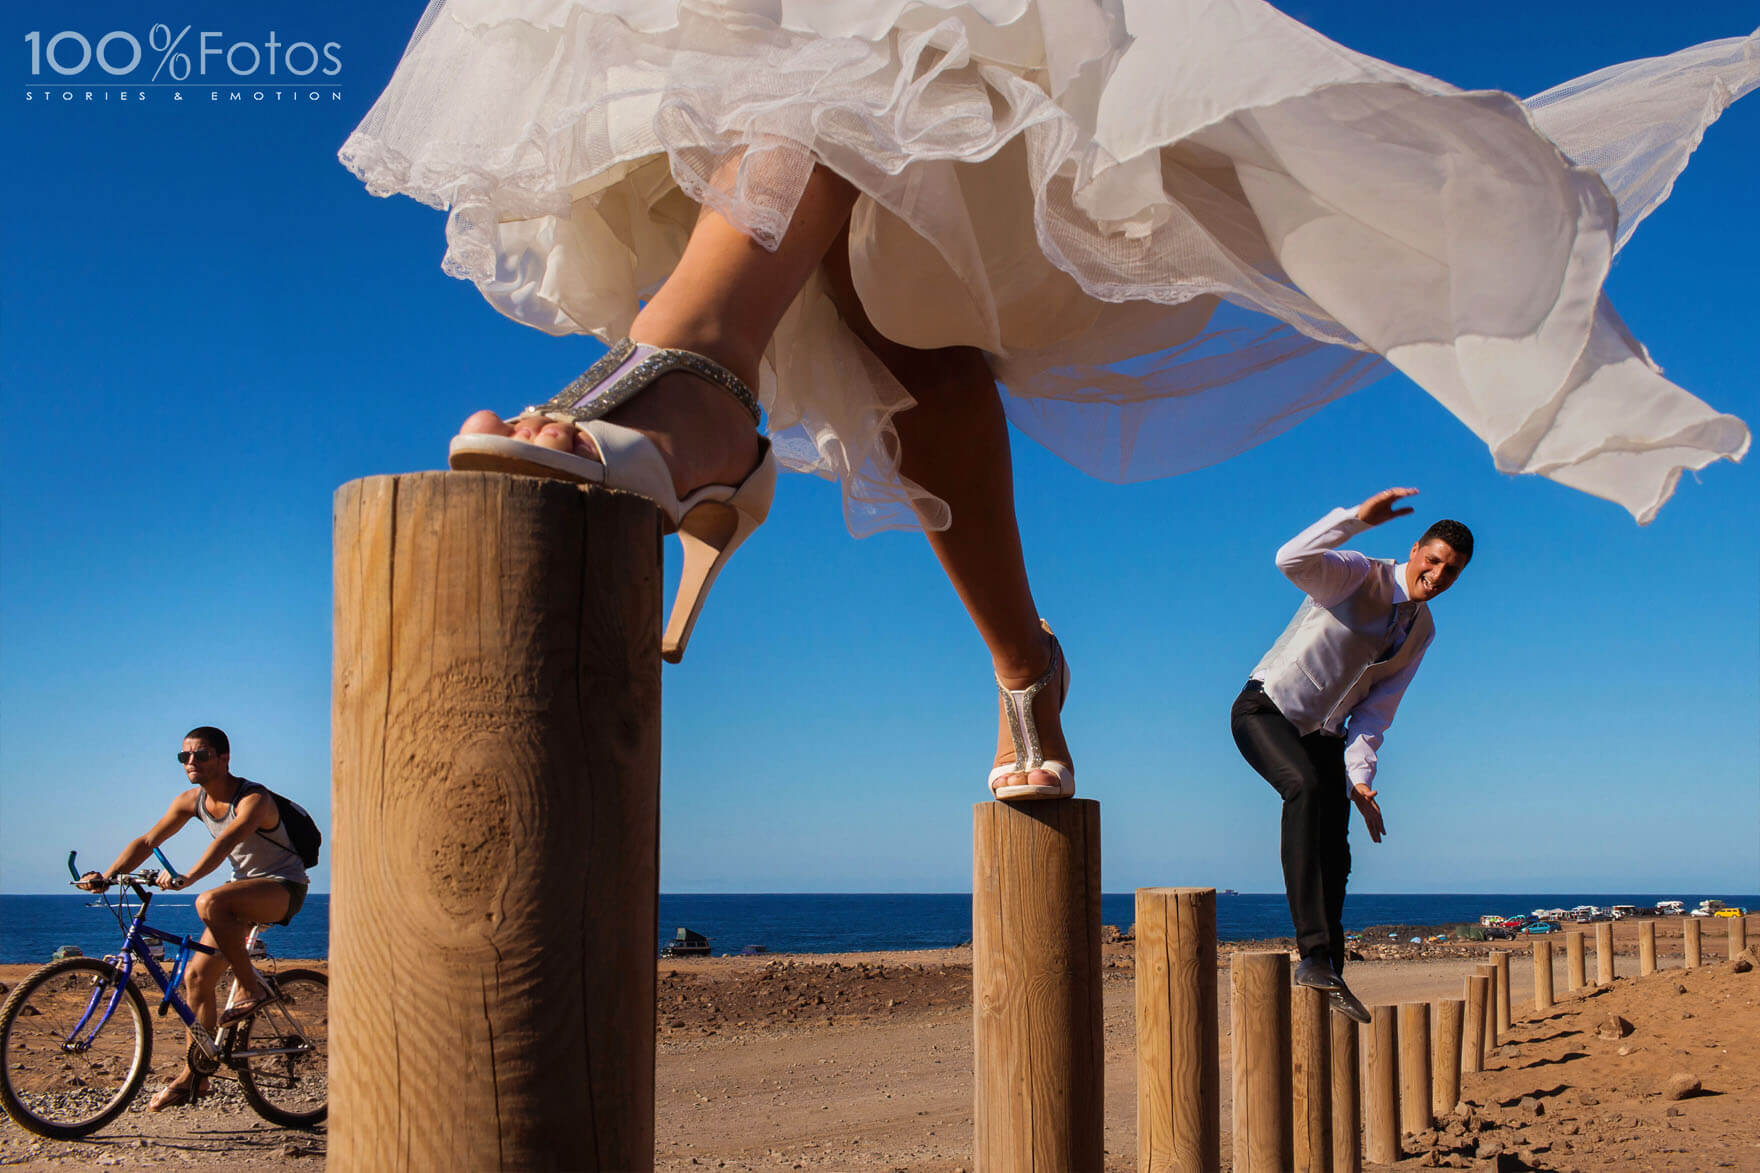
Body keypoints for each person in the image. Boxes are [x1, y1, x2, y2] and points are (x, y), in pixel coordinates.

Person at [340, 3, 1752, 801]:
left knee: (896, 215)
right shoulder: (1385, 585)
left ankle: (717, 398)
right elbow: (1309, 574)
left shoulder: (1407, 616)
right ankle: (746, 422)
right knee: (898, 322)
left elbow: (1353, 658)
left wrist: (1362, 745)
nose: (1427, 568)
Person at [1231, 487, 1470, 1021]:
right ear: (1414, 551)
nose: (1437, 575)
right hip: (1265, 710)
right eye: (1432, 560)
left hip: (1326, 738)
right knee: (1306, 789)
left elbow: (1377, 710)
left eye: (1451, 571)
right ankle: (1312, 955)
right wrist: (1355, 521)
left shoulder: (1422, 630)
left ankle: (1329, 971)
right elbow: (1289, 559)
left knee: (1336, 856)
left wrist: (1360, 778)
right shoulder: (1358, 574)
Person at [76, 727, 311, 1110]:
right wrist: (108, 875)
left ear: (224, 759)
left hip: (282, 888)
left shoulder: (254, 799)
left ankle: (251, 988)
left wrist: (188, 877)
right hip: (242, 891)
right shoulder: (191, 800)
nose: (191, 763)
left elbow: (224, 843)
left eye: (201, 755)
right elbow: (148, 841)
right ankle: (196, 1078)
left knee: (209, 902)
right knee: (196, 977)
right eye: (184, 756)